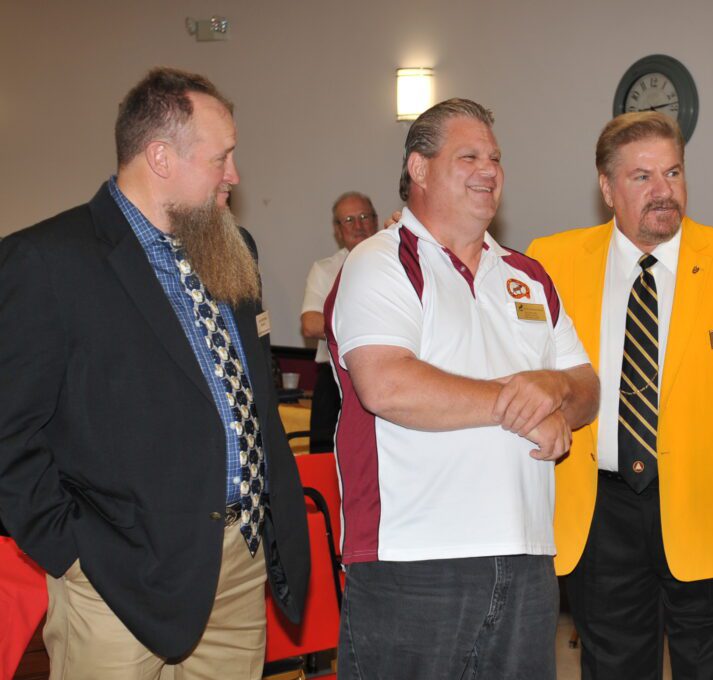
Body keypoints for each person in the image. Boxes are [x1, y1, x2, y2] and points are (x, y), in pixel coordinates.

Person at [0, 67, 310, 678]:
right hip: (117, 578)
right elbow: (9, 433)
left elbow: (249, 394)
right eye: (220, 157)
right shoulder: (48, 261)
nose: (234, 175)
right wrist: (71, 555)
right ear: (161, 157)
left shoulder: (235, 246)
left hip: (238, 566)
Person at [527, 112, 713, 680]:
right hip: (599, 513)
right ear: (607, 188)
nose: (663, 190)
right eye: (642, 177)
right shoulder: (552, 260)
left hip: (711, 510)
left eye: (673, 172)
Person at [326, 98, 600, 679]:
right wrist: (527, 405)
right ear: (419, 168)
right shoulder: (381, 262)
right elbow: (387, 384)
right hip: (413, 561)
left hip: (526, 557)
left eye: (495, 158)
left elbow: (585, 387)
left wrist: (553, 384)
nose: (489, 170)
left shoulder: (528, 276)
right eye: (469, 156)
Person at [300, 191, 378, 451]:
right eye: (349, 220)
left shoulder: (399, 263)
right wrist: (366, 325)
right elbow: (310, 324)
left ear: (376, 221)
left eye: (364, 217)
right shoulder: (325, 269)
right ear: (337, 230)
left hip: (387, 374)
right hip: (334, 382)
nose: (358, 226)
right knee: (326, 462)